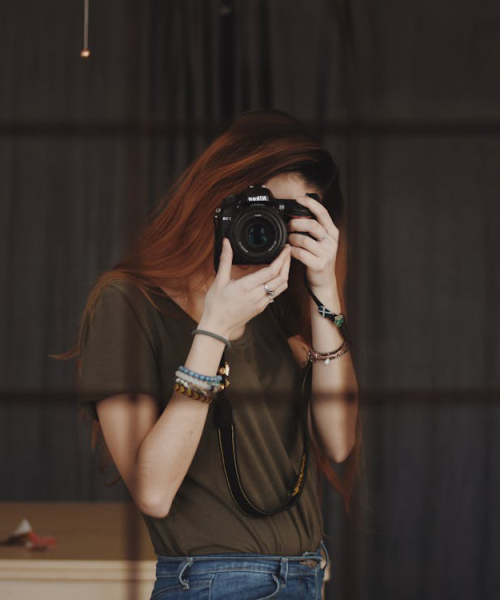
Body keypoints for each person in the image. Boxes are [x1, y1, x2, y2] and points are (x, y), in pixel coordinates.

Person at [63, 109, 361, 599]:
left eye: (295, 219)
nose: (272, 229)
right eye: (263, 208)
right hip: (210, 585)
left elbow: (337, 440)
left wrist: (325, 290)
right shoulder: (129, 302)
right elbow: (153, 492)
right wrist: (214, 331)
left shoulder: (280, 308)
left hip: (307, 577)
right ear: (217, 197)